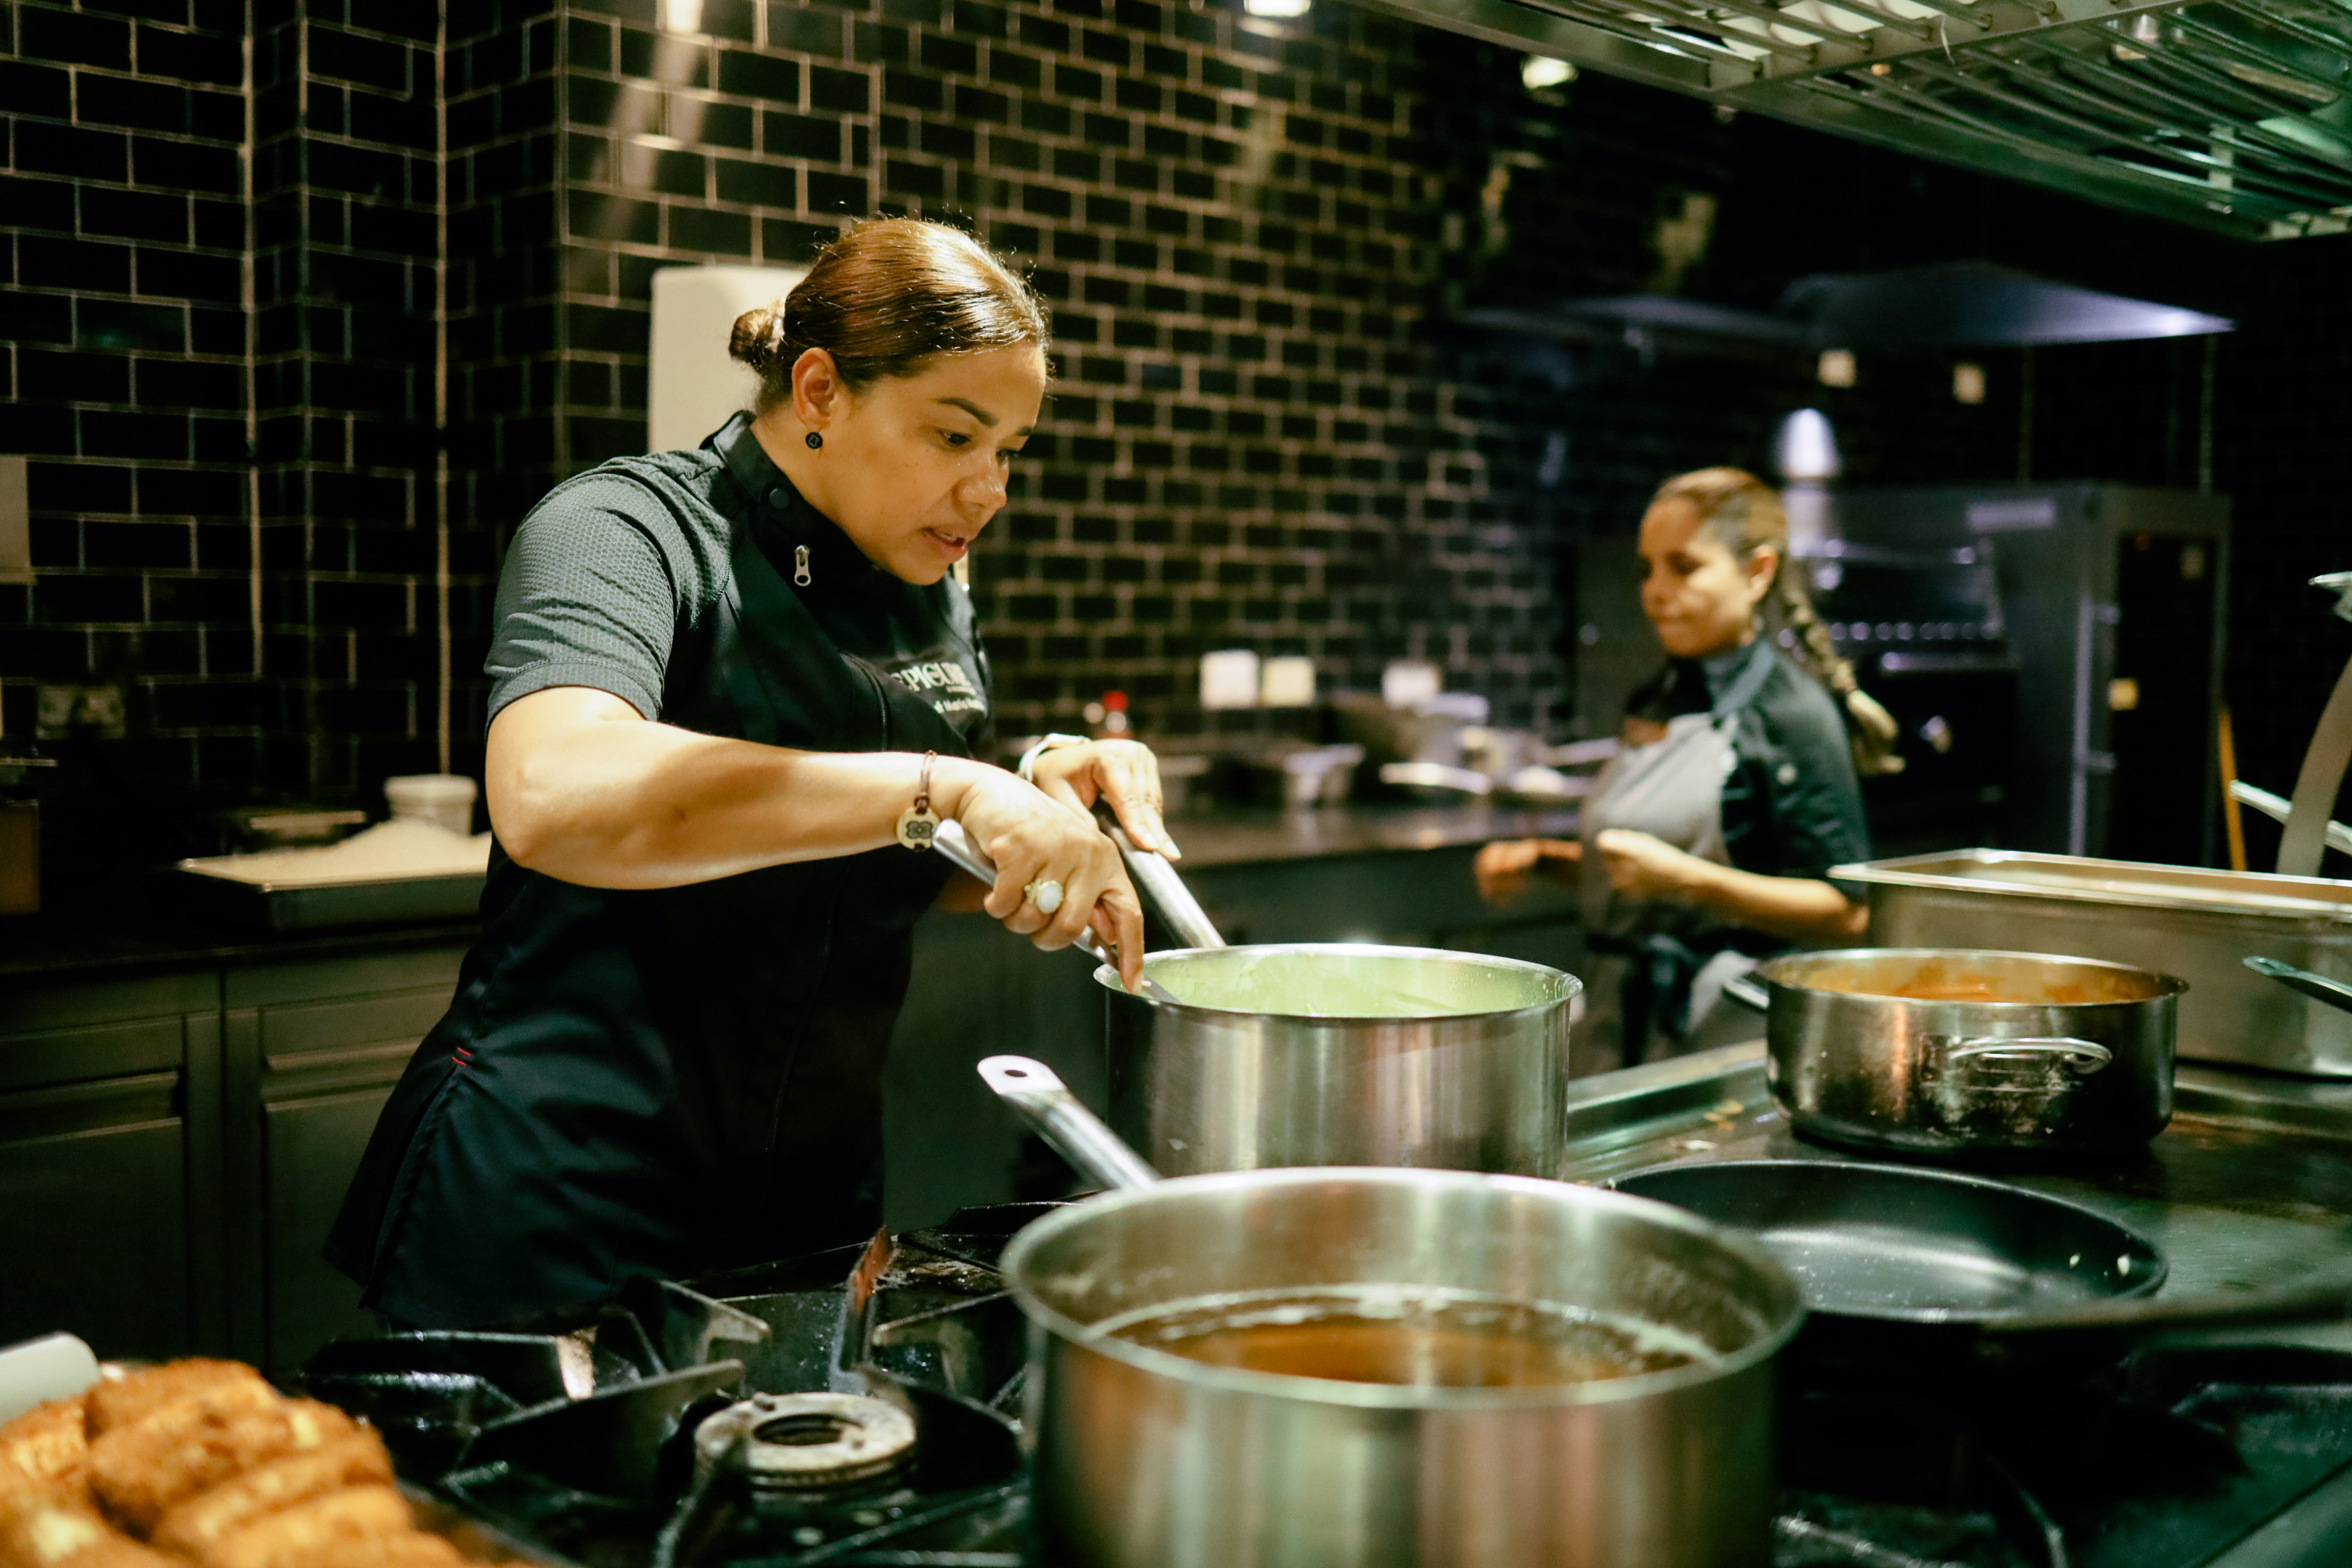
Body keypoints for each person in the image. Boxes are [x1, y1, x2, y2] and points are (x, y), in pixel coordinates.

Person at [326, 218, 1175, 1328]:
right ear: (819, 390)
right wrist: (944, 787)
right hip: (566, 1197)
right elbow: (552, 794)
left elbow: (875, 852)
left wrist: (1033, 813)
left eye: (1008, 449)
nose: (991, 491)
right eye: (954, 436)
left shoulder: (929, 589)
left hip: (806, 1209)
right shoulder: (627, 529)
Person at [1476, 467, 1898, 1065]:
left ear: (1758, 573)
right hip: (1618, 1020)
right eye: (1647, 568)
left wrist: (1688, 881)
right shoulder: (1659, 696)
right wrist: (1554, 862)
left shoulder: (1792, 714)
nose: (1654, 591)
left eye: (1684, 566)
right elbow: (1652, 868)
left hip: (1720, 1039)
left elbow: (1848, 913)